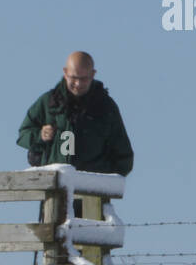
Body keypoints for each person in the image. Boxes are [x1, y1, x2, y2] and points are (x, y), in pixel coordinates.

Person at [17, 51, 134, 180]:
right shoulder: (48, 103)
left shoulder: (106, 107)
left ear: (92, 74)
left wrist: (101, 180)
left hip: (92, 192)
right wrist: (40, 136)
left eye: (83, 79)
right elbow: (23, 134)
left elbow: (124, 157)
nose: (78, 84)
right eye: (74, 78)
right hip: (54, 190)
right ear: (65, 72)